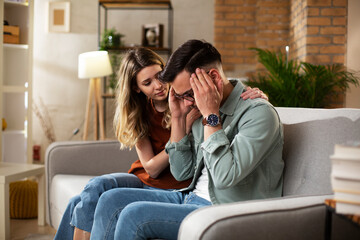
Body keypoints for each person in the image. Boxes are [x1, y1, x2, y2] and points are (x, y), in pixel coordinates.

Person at [54, 47, 266, 240]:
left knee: (116, 207)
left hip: (181, 187)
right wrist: (179, 123)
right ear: (136, 88)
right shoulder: (148, 110)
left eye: (160, 76)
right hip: (152, 180)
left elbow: (225, 90)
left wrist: (249, 95)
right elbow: (153, 169)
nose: (158, 86)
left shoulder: (199, 103)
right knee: (89, 195)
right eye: (147, 83)